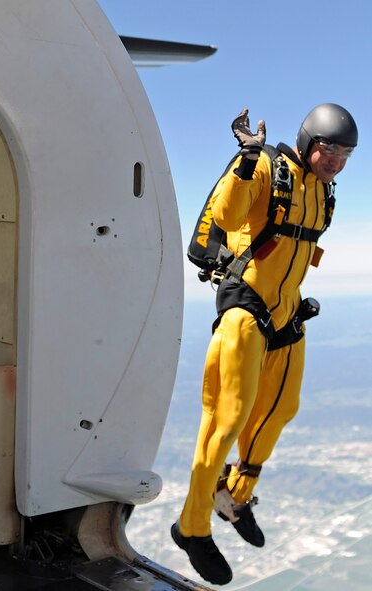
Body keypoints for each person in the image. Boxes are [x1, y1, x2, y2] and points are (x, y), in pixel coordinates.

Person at [171, 103, 358, 585]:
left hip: (287, 309)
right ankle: (191, 527)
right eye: (329, 148)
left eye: (345, 153)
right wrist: (247, 159)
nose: (336, 159)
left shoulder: (323, 190)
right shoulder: (267, 171)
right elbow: (228, 213)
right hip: (246, 302)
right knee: (227, 416)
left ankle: (234, 494)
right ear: (308, 142)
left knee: (281, 408)